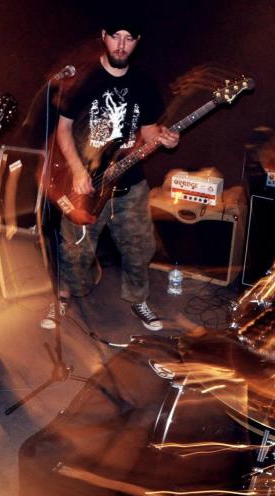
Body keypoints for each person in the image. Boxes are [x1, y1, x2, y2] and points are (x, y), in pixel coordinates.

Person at [43, 17, 179, 331]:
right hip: (86, 182)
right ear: (104, 36)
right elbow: (62, 130)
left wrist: (166, 139)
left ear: (137, 41)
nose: (121, 45)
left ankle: (138, 300)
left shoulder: (144, 83)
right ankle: (62, 296)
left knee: (139, 246)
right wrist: (78, 171)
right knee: (74, 248)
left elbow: (149, 133)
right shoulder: (82, 80)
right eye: (115, 36)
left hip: (131, 183)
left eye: (129, 38)